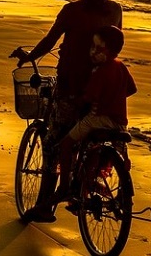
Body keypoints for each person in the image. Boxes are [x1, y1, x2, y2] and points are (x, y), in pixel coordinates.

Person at [11, 0, 122, 220]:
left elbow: (49, 41)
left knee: (52, 142)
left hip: (73, 88)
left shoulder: (71, 11)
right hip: (105, 89)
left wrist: (28, 57)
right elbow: (115, 44)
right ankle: (83, 188)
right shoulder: (115, 10)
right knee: (91, 139)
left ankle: (46, 206)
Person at [24, 25, 136, 222]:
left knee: (66, 143)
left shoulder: (100, 71)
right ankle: (90, 184)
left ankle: (65, 186)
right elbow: (131, 89)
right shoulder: (121, 67)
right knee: (95, 154)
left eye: (98, 49)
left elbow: (87, 98)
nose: (92, 52)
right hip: (120, 123)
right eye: (92, 47)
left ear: (111, 51)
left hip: (97, 118)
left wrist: (78, 100)